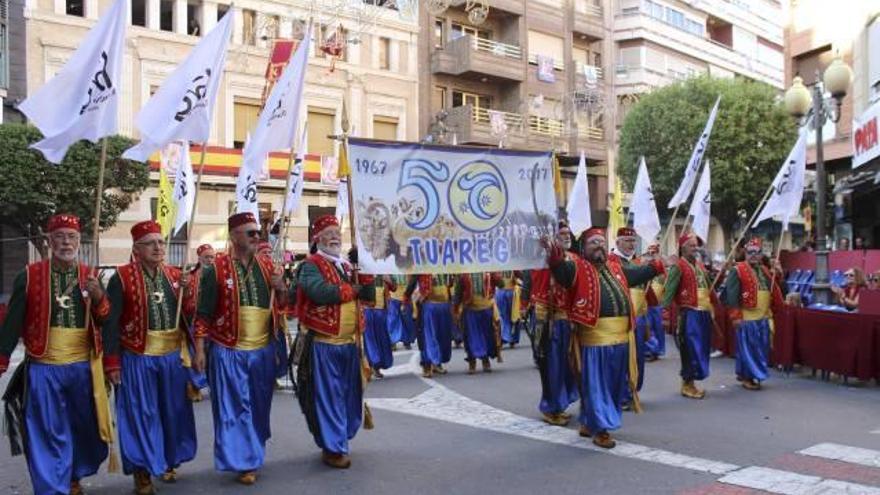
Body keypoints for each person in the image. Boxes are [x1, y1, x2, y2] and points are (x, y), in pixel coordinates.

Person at [0, 214, 115, 495]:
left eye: (72, 237)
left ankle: (73, 475)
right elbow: (12, 321)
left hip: (82, 368)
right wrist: (2, 359)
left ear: (79, 240)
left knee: (83, 428)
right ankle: (52, 487)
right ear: (50, 241)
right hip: (44, 366)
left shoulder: (92, 275)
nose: (66, 242)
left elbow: (105, 320)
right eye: (60, 236)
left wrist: (99, 297)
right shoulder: (29, 276)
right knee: (47, 431)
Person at [545, 227, 663, 449]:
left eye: (601, 241)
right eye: (593, 243)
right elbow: (559, 269)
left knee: (614, 386)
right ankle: (601, 429)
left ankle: (589, 422)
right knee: (597, 385)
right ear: (584, 248)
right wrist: (553, 252)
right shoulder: (576, 269)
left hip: (620, 339)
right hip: (595, 341)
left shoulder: (616, 268)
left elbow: (638, 275)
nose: (599, 245)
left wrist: (657, 265)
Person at [194, 212, 288, 485]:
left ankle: (253, 450)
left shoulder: (268, 266)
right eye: (250, 233)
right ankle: (244, 461)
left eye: (258, 233)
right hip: (228, 349)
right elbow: (203, 314)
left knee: (258, 406)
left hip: (262, 350)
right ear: (234, 235)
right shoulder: (216, 270)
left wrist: (280, 286)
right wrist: (200, 349)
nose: (257, 237)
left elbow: (283, 303)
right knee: (235, 408)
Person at [105, 220, 197, 494]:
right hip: (137, 356)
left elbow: (187, 316)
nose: (158, 247)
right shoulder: (120, 278)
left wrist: (188, 291)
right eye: (151, 243)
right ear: (136, 249)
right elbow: (110, 322)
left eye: (161, 242)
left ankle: (169, 460)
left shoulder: (174, 275)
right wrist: (111, 362)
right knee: (141, 416)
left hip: (170, 356)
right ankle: (142, 472)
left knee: (173, 412)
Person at [294, 214, 375, 469]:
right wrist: (350, 290)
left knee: (350, 395)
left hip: (350, 343)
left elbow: (369, 295)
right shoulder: (310, 265)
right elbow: (318, 291)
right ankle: (333, 446)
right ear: (317, 239)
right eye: (328, 233)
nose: (334, 237)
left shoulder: (348, 267)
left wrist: (367, 269)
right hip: (325, 345)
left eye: (337, 233)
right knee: (328, 396)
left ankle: (341, 437)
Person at [529, 221, 578, 426]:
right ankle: (551, 407)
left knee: (569, 367)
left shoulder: (575, 258)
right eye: (562, 234)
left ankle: (561, 403)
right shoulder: (541, 259)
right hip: (548, 321)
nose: (566, 236)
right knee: (551, 367)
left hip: (569, 321)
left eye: (568, 233)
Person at [723, 237, 783, 391]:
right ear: (745, 253)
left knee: (759, 349)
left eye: (757, 252)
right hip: (747, 318)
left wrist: (778, 274)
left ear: (761, 254)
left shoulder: (763, 270)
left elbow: (773, 287)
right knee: (749, 349)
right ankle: (749, 376)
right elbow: (731, 295)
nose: (754, 255)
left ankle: (747, 374)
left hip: (762, 317)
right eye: (750, 252)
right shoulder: (737, 270)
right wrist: (735, 316)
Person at [660, 233, 715, 400]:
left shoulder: (699, 266)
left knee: (702, 349)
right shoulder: (678, 267)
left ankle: (692, 382)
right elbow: (668, 292)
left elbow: (709, 287)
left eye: (696, 245)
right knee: (690, 350)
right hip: (690, 314)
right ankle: (687, 384)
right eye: (691, 245)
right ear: (682, 247)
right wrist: (665, 314)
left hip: (703, 313)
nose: (695, 248)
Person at [608, 227, 650, 404]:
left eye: (633, 241)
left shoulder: (638, 263)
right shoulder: (611, 262)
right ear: (617, 242)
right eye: (627, 241)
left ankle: (633, 389)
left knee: (639, 357)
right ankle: (621, 393)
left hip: (639, 317)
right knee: (621, 358)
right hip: (621, 318)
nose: (631, 244)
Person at [454, 272, 502, 374]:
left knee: (488, 336)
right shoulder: (464, 274)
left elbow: (501, 284)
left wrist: (497, 275)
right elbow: (458, 292)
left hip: (487, 308)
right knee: (470, 337)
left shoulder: (489, 271)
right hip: (470, 309)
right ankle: (472, 361)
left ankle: (486, 361)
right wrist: (455, 308)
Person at [410, 274, 454, 377]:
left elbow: (451, 284)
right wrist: (407, 297)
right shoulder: (422, 265)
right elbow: (413, 282)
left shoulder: (447, 264)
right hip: (428, 305)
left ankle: (437, 363)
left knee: (443, 336)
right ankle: (426, 365)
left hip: (444, 305)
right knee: (427, 336)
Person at [644, 243, 666, 360]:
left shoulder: (660, 268)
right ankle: (651, 350)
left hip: (657, 303)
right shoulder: (645, 266)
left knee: (658, 327)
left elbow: (665, 281)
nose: (651, 255)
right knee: (649, 327)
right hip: (647, 302)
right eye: (650, 253)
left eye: (654, 253)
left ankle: (658, 350)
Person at [386, 274, 416, 350]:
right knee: (392, 321)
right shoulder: (390, 265)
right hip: (393, 297)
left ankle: (407, 341)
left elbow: (411, 281)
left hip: (405, 297)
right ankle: (392, 342)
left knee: (407, 320)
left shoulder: (407, 267)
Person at [494, 271, 521, 348]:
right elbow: (520, 277)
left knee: (503, 316)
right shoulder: (514, 263)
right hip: (511, 292)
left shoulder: (497, 262)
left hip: (501, 292)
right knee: (514, 316)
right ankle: (511, 338)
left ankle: (505, 337)